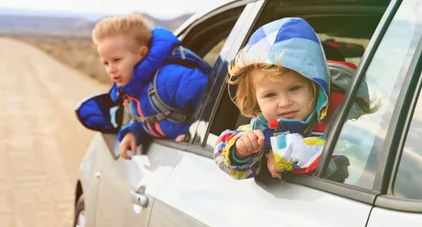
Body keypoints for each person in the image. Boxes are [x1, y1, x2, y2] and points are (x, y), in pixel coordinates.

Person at [214, 17, 372, 181]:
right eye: (270, 95)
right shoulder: (261, 128)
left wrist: (285, 155)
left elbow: (352, 154)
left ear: (315, 86)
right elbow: (224, 157)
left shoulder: (342, 116)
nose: (285, 103)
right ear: (254, 100)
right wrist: (240, 149)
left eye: (294, 89)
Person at [92, 14, 211, 160]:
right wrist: (134, 132)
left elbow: (214, 100)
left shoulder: (169, 80)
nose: (111, 69)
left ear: (142, 54)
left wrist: (194, 133)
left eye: (116, 60)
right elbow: (152, 116)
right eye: (106, 63)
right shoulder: (134, 89)